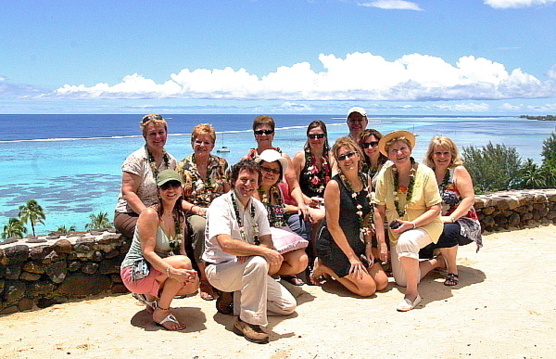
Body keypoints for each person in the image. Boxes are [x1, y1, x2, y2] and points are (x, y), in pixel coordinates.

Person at [203, 159, 297, 344]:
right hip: (220, 269)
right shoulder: (220, 205)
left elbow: (267, 241)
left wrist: (253, 252)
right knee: (260, 261)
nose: (248, 185)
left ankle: (237, 301)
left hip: (248, 268)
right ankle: (247, 322)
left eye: (253, 181)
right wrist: (258, 252)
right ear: (233, 181)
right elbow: (225, 244)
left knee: (287, 306)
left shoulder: (258, 207)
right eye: (244, 179)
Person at [374, 130, 445, 311]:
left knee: (407, 241)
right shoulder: (385, 175)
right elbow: (378, 209)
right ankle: (438, 261)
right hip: (397, 231)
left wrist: (412, 224)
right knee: (402, 280)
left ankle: (412, 295)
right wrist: (382, 243)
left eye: (403, 148)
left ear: (410, 149)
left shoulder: (425, 173)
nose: (399, 153)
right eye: (394, 150)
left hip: (426, 225)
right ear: (388, 155)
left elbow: (436, 209)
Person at [120, 170, 199, 330]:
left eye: (175, 185)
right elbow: (147, 252)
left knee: (191, 282)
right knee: (183, 265)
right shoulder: (150, 214)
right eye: (165, 187)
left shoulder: (179, 216)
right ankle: (162, 312)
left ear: (181, 188)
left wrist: (188, 274)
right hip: (136, 271)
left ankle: (151, 300)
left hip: (156, 269)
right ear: (158, 191)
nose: (171, 190)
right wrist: (173, 272)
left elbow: (181, 251)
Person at [310, 137, 388, 297]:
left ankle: (348, 266)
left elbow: (367, 217)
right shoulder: (334, 186)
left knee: (382, 282)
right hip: (334, 246)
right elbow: (333, 226)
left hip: (356, 242)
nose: (347, 160)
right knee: (367, 289)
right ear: (337, 162)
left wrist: (367, 247)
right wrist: (352, 258)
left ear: (358, 155)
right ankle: (325, 267)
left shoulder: (365, 179)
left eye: (350, 154)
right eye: (341, 157)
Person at [177, 123, 230, 301]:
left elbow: (228, 192)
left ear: (213, 145)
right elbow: (178, 199)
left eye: (206, 142)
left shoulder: (221, 164)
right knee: (201, 228)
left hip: (219, 209)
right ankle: (205, 279)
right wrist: (197, 210)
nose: (202, 146)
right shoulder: (183, 167)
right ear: (192, 143)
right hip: (194, 212)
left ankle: (229, 274)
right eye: (198, 141)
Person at [420, 136, 483, 286]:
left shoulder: (458, 171)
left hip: (462, 221)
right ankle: (439, 260)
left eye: (446, 153)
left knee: (447, 230)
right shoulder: (428, 174)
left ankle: (452, 270)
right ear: (431, 155)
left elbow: (468, 198)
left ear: (452, 154)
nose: (442, 157)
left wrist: (452, 218)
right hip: (435, 221)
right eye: (438, 153)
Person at [115, 114, 177, 239]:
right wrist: (150, 216)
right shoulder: (136, 159)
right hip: (131, 213)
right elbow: (128, 192)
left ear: (166, 133)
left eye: (161, 132)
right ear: (145, 136)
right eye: (153, 134)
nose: (158, 137)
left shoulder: (170, 161)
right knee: (156, 235)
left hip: (160, 213)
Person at [254, 149, 310, 286]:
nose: (270, 173)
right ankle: (261, 279)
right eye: (266, 168)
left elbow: (280, 208)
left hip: (278, 239)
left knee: (301, 260)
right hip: (259, 242)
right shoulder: (252, 190)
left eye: (275, 171)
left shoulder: (276, 190)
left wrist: (300, 208)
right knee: (273, 259)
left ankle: (273, 275)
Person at [244, 115, 311, 221]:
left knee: (314, 217)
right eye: (259, 132)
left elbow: (294, 186)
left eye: (267, 132)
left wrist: (301, 204)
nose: (263, 135)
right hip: (260, 208)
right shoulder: (248, 159)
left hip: (286, 206)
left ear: (273, 134)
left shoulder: (283, 158)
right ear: (255, 135)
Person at [292, 120, 333, 268]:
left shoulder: (331, 157)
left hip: (327, 202)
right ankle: (315, 259)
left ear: (325, 137)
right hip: (305, 202)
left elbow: (335, 182)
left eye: (320, 136)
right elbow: (294, 185)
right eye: (312, 136)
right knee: (318, 217)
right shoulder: (300, 157)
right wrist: (307, 201)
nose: (316, 140)